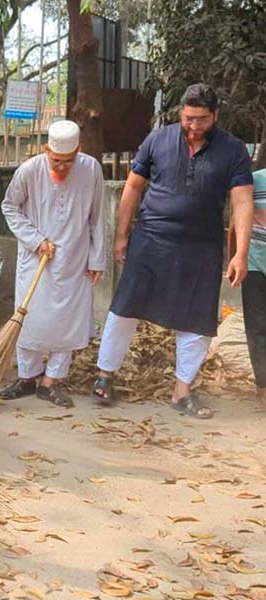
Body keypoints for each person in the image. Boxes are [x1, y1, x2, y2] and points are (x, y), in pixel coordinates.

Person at [92, 84, 254, 418]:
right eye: (189, 118)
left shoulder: (233, 149)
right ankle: (105, 376)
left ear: (216, 116)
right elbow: (133, 187)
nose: (194, 126)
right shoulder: (158, 140)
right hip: (150, 239)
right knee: (124, 308)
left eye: (203, 120)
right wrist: (122, 236)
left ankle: (182, 391)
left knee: (197, 319)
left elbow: (242, 201)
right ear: (180, 113)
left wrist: (240, 253)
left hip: (201, 247)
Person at [0, 119, 105, 408]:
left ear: (78, 152)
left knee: (67, 323)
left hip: (75, 259)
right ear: (46, 149)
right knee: (28, 318)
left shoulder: (91, 168)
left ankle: (51, 382)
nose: (61, 168)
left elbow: (97, 216)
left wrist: (97, 258)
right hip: (36, 259)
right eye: (56, 161)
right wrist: (35, 239)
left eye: (68, 162)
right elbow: (9, 206)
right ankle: (27, 376)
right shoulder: (30, 170)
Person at [244, 168, 266, 403]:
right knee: (257, 325)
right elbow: (239, 219)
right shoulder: (254, 179)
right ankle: (263, 383)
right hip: (254, 262)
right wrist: (235, 258)